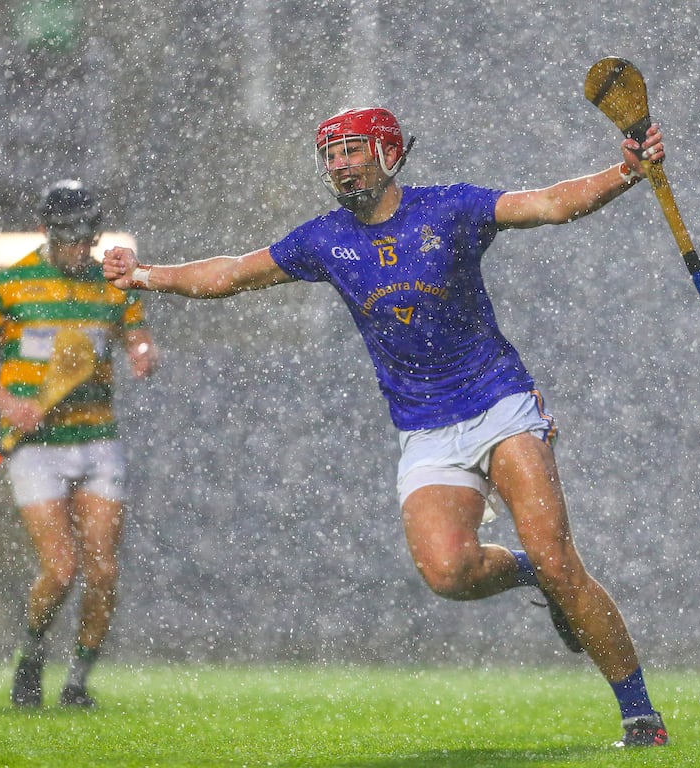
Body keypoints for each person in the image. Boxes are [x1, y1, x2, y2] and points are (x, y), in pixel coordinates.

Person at [103, 108, 669, 746]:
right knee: (448, 572)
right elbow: (234, 273)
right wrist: (146, 276)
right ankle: (528, 570)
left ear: (389, 153)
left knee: (562, 560)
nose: (340, 164)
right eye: (331, 154)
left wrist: (626, 172)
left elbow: (546, 205)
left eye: (352, 150)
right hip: (425, 428)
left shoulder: (450, 208)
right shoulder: (325, 241)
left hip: (499, 403)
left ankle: (641, 717)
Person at [0, 179, 158, 708]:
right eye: (68, 238)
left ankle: (76, 683)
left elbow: (135, 333)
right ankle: (31, 656)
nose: (78, 249)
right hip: (34, 445)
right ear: (46, 231)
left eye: (86, 238)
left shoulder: (111, 283)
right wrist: (6, 402)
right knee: (61, 568)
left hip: (97, 439)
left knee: (103, 570)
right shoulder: (10, 283)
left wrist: (141, 351)